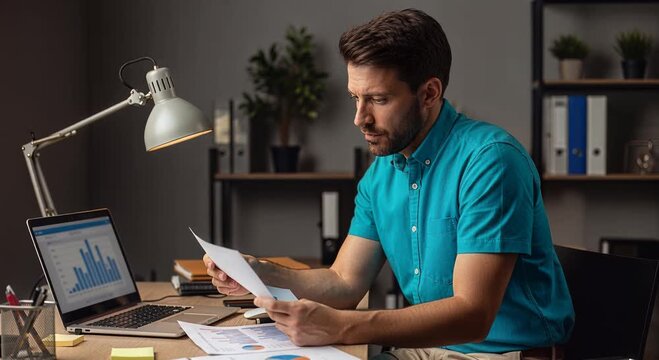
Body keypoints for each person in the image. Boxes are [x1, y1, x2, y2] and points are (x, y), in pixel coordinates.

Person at [204, 8, 574, 360]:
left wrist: (344, 327)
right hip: (430, 351)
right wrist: (258, 272)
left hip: (500, 354)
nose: (359, 118)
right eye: (355, 98)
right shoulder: (382, 170)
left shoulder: (491, 161)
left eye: (378, 99)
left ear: (429, 93)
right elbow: (345, 282)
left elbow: (472, 315)